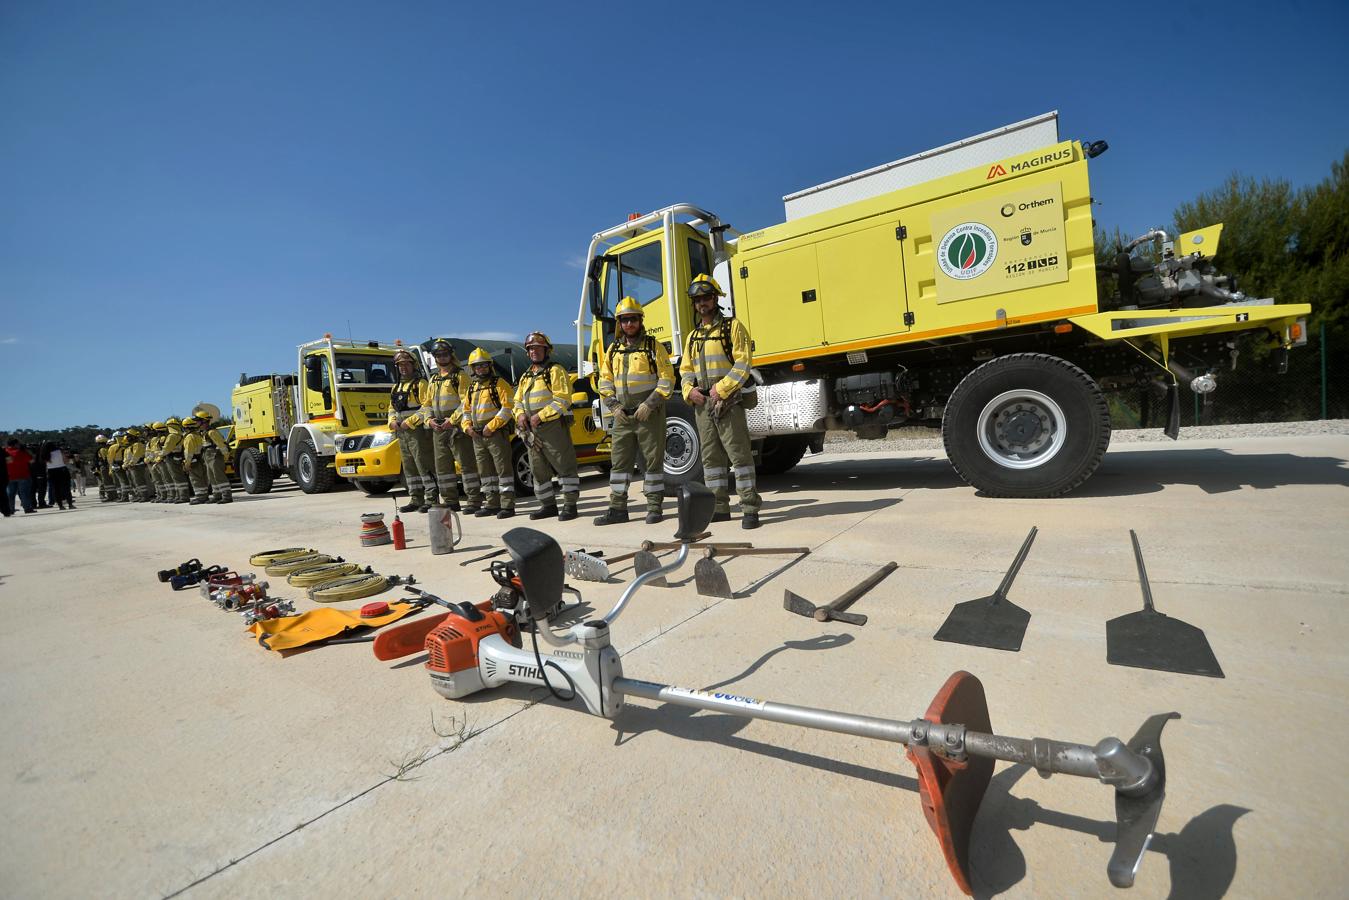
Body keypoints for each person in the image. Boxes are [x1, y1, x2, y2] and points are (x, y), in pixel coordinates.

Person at [679, 274, 762, 529]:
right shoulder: (692, 336)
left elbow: (743, 363)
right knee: (711, 460)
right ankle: (719, 507)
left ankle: (749, 509)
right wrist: (688, 391)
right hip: (702, 403)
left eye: (706, 297)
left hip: (728, 402)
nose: (702, 303)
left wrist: (722, 390)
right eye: (697, 299)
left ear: (715, 299)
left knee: (739, 455)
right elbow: (686, 369)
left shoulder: (732, 327)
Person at [596, 296, 675, 525]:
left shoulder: (653, 347)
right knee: (619, 464)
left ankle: (654, 508)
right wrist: (613, 406)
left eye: (632, 319)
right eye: (624, 320)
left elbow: (667, 379)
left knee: (652, 463)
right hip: (622, 416)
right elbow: (604, 382)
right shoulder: (613, 351)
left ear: (640, 320)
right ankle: (618, 509)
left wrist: (649, 404)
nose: (629, 324)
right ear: (619, 324)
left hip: (648, 414)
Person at [514, 331, 581, 521]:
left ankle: (570, 505)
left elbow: (563, 399)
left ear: (546, 350)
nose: (534, 351)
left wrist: (540, 416)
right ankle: (548, 505)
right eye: (530, 349)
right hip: (530, 430)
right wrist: (519, 415)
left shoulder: (555, 370)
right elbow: (517, 400)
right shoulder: (526, 375)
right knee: (538, 469)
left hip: (552, 427)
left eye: (538, 348)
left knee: (564, 466)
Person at [422, 340, 483, 514]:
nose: (442, 357)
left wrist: (454, 420)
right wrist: (429, 421)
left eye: (445, 354)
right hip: (438, 427)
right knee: (443, 467)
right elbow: (426, 404)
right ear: (435, 358)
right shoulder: (433, 379)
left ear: (451, 355)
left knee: (466, 465)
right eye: (439, 355)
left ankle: (474, 500)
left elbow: (466, 402)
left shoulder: (460, 376)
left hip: (456, 428)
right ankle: (450, 501)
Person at [462, 347, 516, 519]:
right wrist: (467, 427)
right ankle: (492, 504)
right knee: (485, 472)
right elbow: (466, 411)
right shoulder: (472, 388)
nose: (481, 369)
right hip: (477, 435)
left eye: (484, 366)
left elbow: (508, 408)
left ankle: (507, 506)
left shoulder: (499, 383)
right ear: (472, 369)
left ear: (490, 366)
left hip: (495, 434)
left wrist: (491, 427)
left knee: (503, 470)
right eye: (477, 366)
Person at [387, 348, 433, 513]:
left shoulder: (421, 384)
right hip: (401, 432)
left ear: (414, 365)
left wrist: (410, 422)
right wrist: (392, 422)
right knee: (409, 468)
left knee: (423, 464)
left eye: (406, 364)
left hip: (418, 431)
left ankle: (431, 499)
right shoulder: (395, 387)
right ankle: (415, 499)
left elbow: (427, 407)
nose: (403, 368)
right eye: (400, 365)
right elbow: (391, 409)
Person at [192, 411, 233, 503]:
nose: (196, 423)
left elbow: (221, 445)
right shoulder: (204, 433)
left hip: (215, 456)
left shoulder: (212, 432)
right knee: (212, 477)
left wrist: (226, 456)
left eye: (198, 421)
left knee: (219, 476)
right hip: (208, 456)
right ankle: (217, 495)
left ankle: (227, 496)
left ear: (204, 421)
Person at [161, 417, 189, 503]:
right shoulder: (180, 435)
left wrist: (159, 455)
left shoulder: (171, 436)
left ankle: (183, 496)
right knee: (178, 477)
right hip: (177, 457)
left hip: (171, 458)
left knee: (177, 478)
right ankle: (179, 495)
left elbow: (166, 449)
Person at [5, 439, 36, 514]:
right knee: (24, 493)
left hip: (9, 476)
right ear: (15, 444)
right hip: (23, 475)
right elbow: (32, 461)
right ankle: (27, 508)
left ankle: (10, 509)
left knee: (10, 494)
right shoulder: (21, 452)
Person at [42, 441, 74, 510]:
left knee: (56, 490)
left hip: (51, 471)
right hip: (62, 470)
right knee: (66, 488)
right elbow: (65, 461)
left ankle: (60, 506)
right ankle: (70, 504)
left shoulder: (45, 454)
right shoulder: (59, 451)